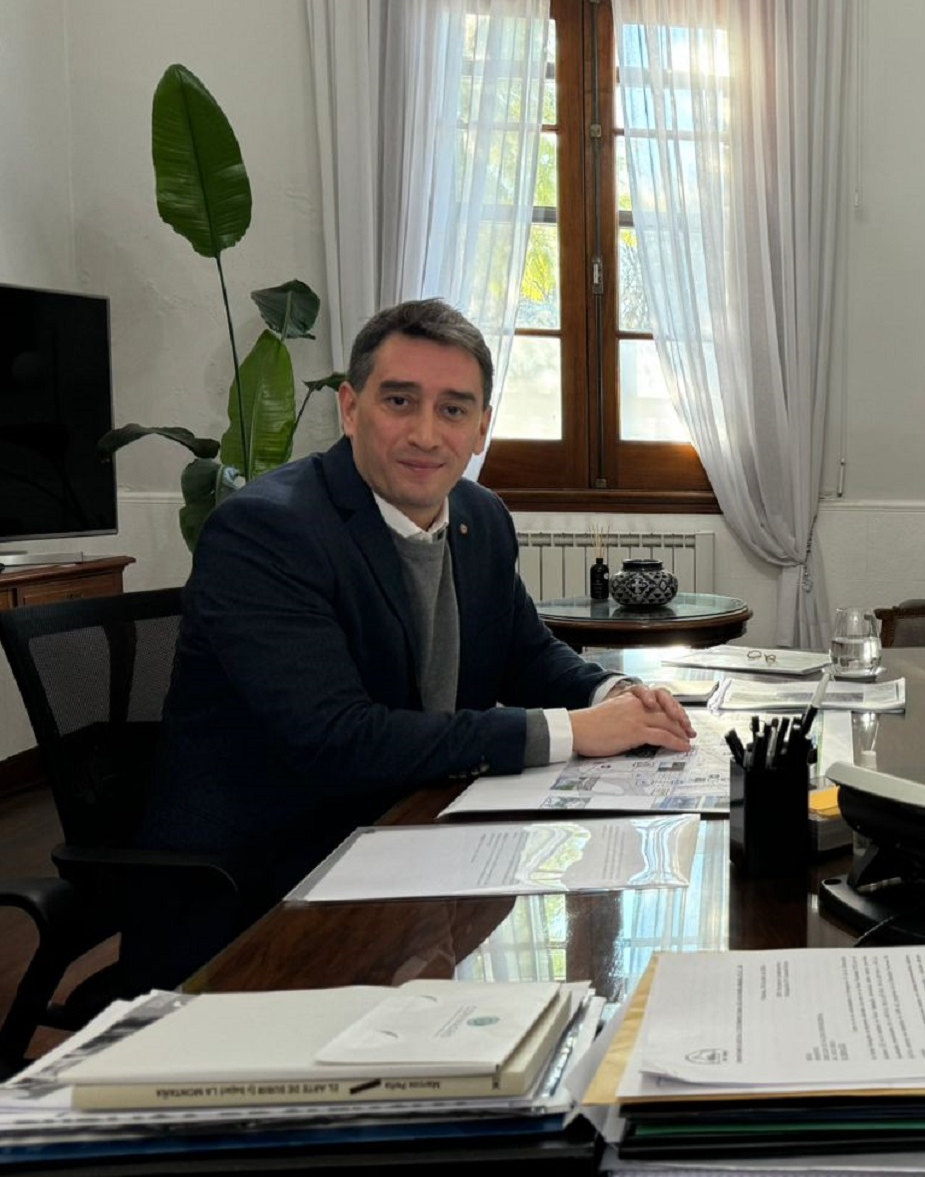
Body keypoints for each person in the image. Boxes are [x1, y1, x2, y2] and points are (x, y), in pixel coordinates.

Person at [136, 299, 694, 983]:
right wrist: (577, 729)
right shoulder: (267, 531)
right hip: (268, 891)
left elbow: (525, 652)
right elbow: (338, 739)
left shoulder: (479, 517)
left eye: (454, 409)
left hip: (414, 843)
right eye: (400, 400)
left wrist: (619, 694)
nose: (426, 434)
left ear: (482, 427)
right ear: (350, 407)